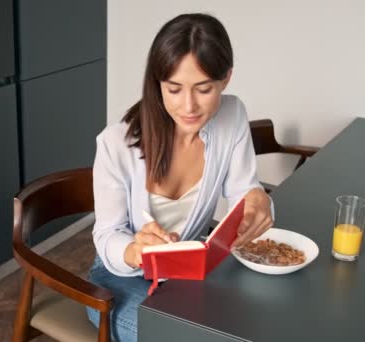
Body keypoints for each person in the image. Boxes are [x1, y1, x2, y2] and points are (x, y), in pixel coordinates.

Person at [86, 13, 273, 342]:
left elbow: (245, 188)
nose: (188, 106)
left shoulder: (232, 115)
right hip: (117, 280)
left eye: (204, 89)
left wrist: (258, 199)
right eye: (174, 89)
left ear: (226, 79)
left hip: (188, 274)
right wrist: (136, 250)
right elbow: (107, 235)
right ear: (158, 83)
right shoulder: (116, 144)